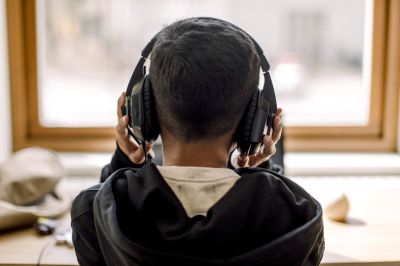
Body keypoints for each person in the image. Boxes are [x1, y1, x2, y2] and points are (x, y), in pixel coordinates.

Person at [71, 17, 324, 266]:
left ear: (141, 112)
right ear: (256, 119)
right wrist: (256, 171)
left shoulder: (91, 214)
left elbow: (107, 213)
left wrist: (124, 161)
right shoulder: (296, 219)